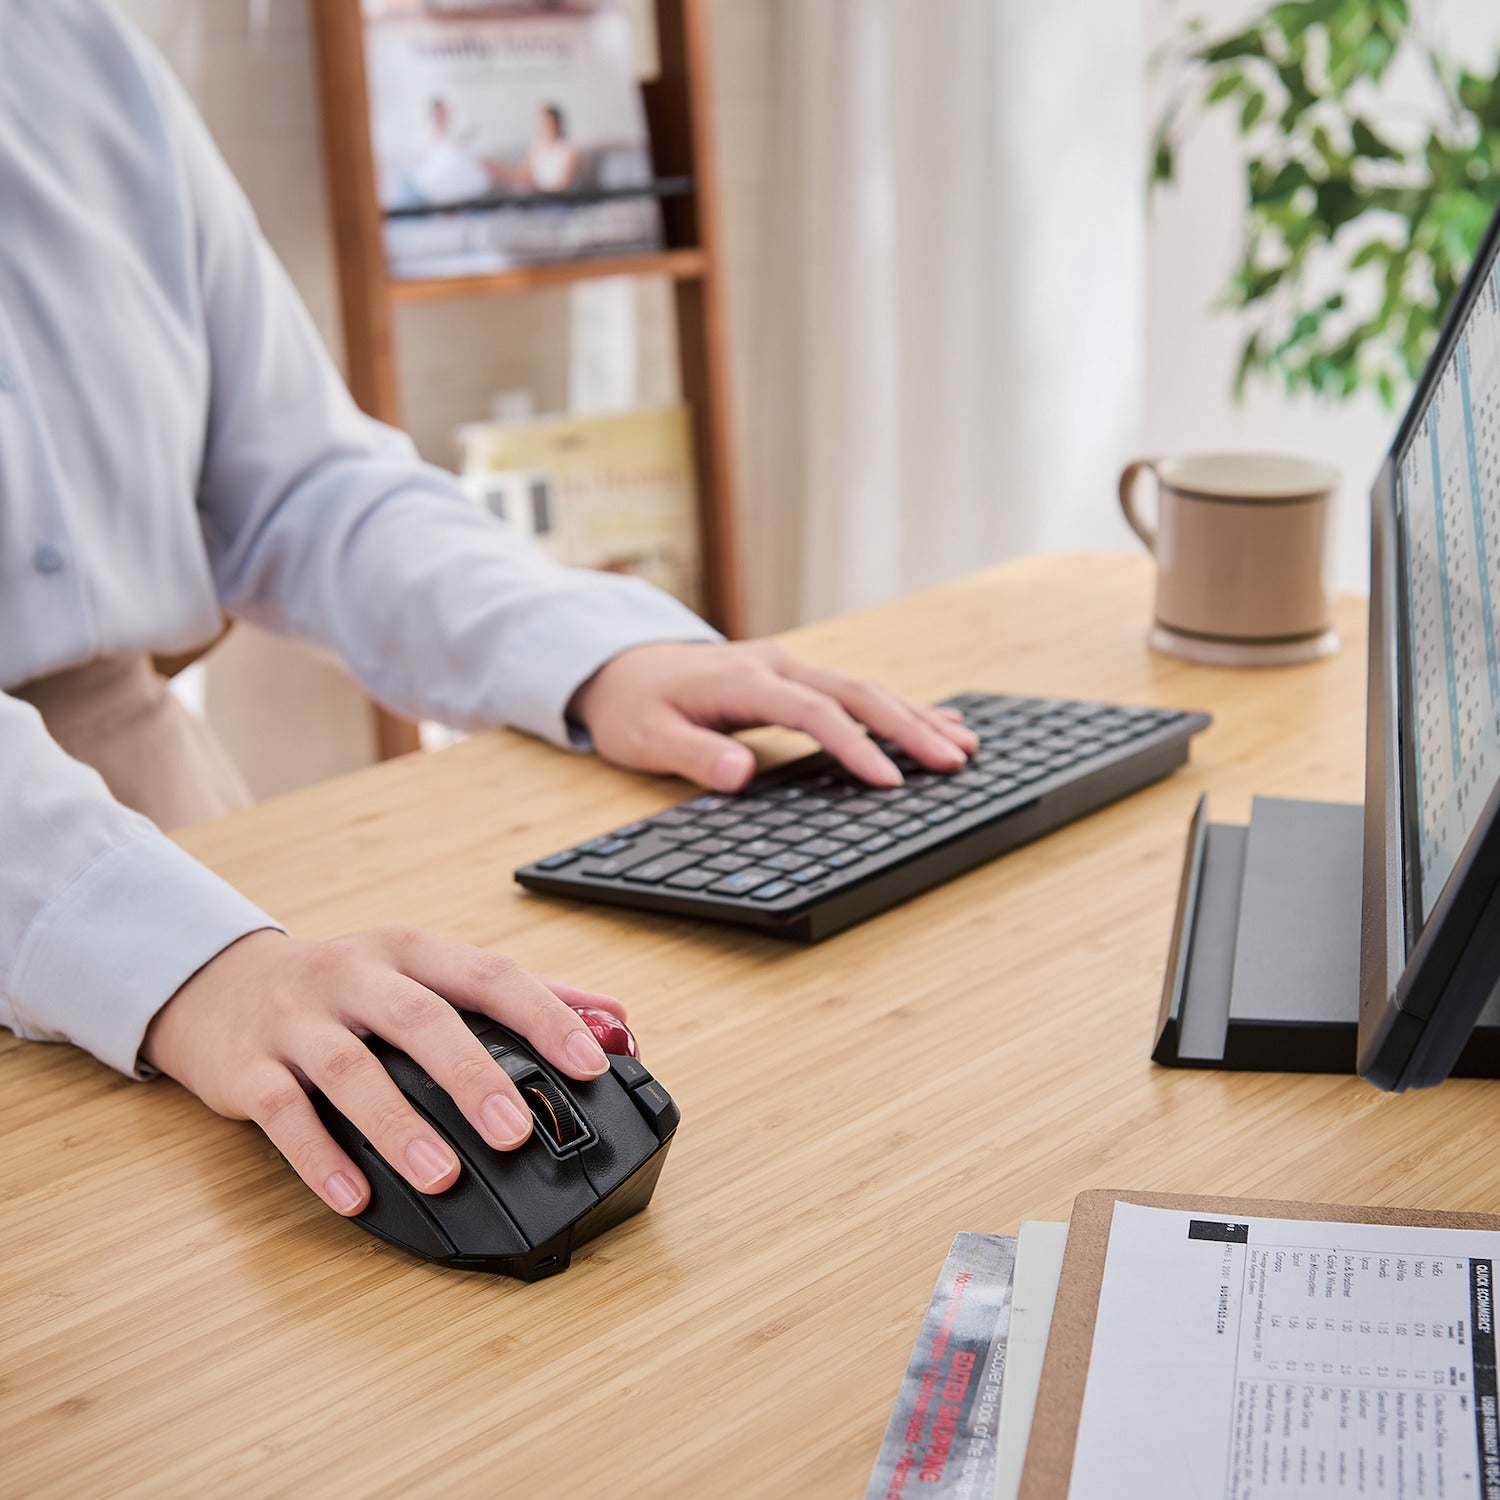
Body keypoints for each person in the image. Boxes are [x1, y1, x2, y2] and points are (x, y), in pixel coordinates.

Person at [0, 1, 975, 1223]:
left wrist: (598, 652)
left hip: (179, 841)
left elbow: (299, 481)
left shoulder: (77, 51)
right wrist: (189, 964)